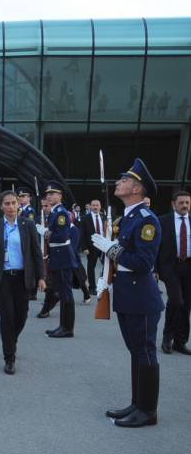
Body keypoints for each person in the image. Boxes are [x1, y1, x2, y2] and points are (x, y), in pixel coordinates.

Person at [91, 158, 163, 428]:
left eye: (124, 179)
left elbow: (143, 264)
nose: (118, 182)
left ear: (136, 188)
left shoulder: (147, 220)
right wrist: (106, 280)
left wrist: (112, 248)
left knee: (144, 352)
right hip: (127, 295)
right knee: (136, 352)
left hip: (141, 298)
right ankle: (137, 403)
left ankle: (148, 411)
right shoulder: (129, 218)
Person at [0, 191, 46, 374]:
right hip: (2, 278)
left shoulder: (28, 225)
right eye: (6, 203)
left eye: (13, 203)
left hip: (23, 277)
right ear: (1, 206)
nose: (10, 207)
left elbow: (35, 252)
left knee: (21, 316)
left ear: (18, 205)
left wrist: (41, 277)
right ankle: (9, 357)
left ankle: (11, 339)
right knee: (7, 316)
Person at [37, 181, 78, 338]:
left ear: (60, 196)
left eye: (52, 193)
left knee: (66, 293)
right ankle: (63, 325)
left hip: (62, 256)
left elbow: (62, 235)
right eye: (47, 194)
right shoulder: (55, 212)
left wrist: (47, 233)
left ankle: (67, 328)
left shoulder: (60, 212)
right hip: (58, 254)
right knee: (62, 292)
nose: (49, 196)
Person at [157, 191, 191, 355]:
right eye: (181, 203)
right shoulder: (163, 221)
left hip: (189, 267)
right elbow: (156, 246)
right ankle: (167, 338)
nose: (185, 205)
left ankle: (180, 341)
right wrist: (154, 269)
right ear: (173, 204)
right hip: (171, 266)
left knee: (187, 305)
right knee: (177, 301)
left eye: (187, 203)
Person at [81, 200, 105, 296]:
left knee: (107, 266)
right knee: (91, 267)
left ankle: (103, 285)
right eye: (93, 205)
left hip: (103, 246)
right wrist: (84, 247)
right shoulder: (85, 218)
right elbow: (82, 234)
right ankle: (92, 287)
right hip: (92, 247)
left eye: (97, 205)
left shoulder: (103, 217)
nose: (95, 207)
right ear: (90, 207)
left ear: (100, 207)